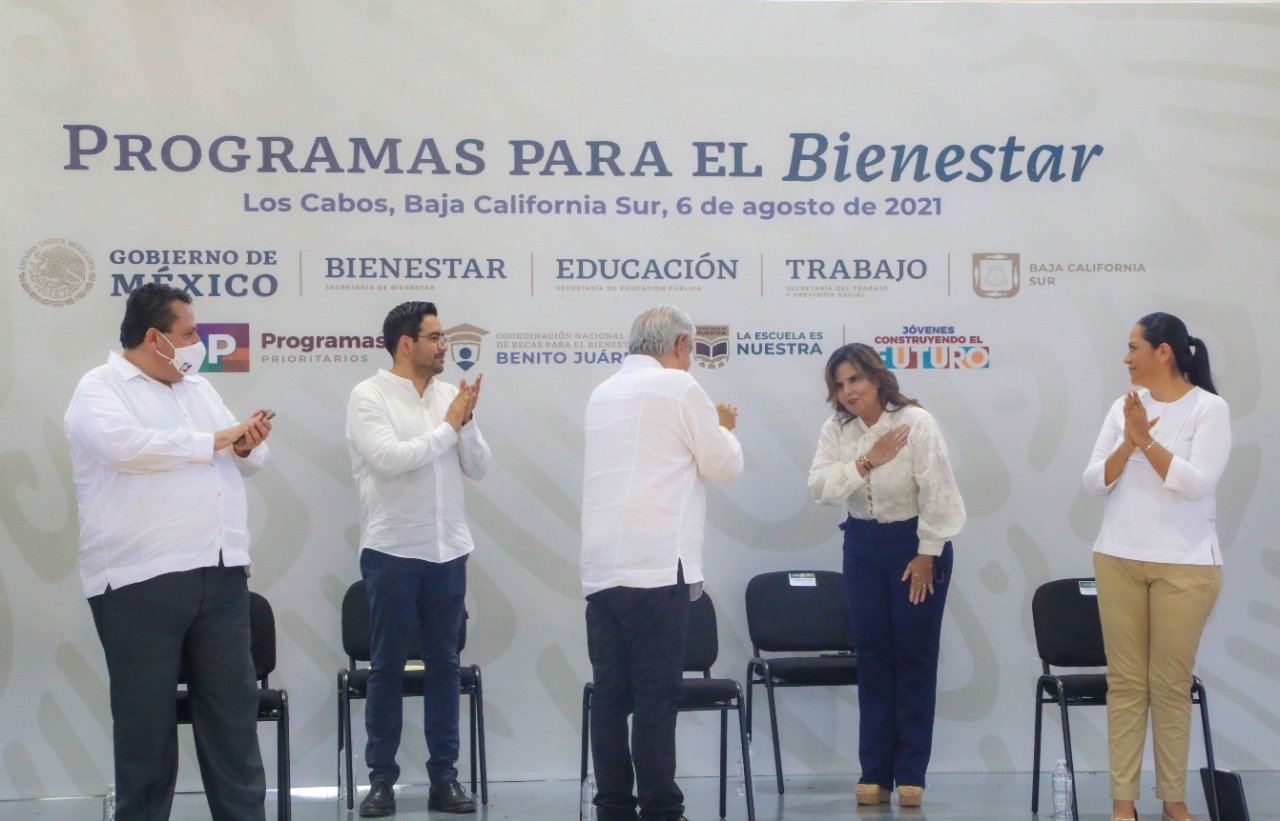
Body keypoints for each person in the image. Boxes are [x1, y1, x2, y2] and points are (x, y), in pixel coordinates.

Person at [64, 282, 273, 821]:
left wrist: (243, 444)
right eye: (189, 333)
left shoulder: (198, 388)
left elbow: (248, 456)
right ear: (155, 337)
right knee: (146, 729)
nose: (198, 343)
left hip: (222, 574)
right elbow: (125, 449)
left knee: (233, 720)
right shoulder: (100, 387)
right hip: (139, 581)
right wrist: (215, 441)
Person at [580, 305, 743, 821]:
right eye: (690, 351)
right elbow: (723, 464)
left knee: (610, 695)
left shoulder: (602, 391)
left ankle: (612, 808)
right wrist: (724, 428)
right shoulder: (679, 386)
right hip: (655, 562)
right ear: (680, 345)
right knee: (655, 695)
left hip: (602, 567)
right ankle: (661, 811)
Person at [1083, 313, 1230, 821]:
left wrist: (1145, 441)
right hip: (1118, 557)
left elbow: (1196, 483)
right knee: (1125, 682)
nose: (1126, 358)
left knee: (1169, 685)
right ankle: (1123, 803)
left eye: (1133, 347)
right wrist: (1129, 439)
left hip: (1186, 565)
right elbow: (1094, 481)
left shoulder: (1209, 408)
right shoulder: (1124, 407)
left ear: (1163, 352)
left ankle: (1174, 801)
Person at [346, 301, 489, 817]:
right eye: (435, 337)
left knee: (444, 666)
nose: (445, 346)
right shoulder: (369, 395)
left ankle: (444, 778)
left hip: (447, 548)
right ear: (406, 344)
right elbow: (390, 460)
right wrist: (448, 428)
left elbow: (479, 467)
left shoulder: (450, 396)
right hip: (392, 549)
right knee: (386, 665)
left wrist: (464, 424)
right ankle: (381, 781)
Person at [807, 343, 965, 808]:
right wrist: (866, 460)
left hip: (915, 546)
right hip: (862, 547)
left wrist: (927, 552)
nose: (848, 391)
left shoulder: (915, 422)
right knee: (873, 658)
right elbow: (820, 488)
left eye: (855, 379)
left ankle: (911, 772)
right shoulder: (837, 429)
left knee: (913, 657)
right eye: (840, 385)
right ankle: (874, 771)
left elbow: (939, 491)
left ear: (877, 378)